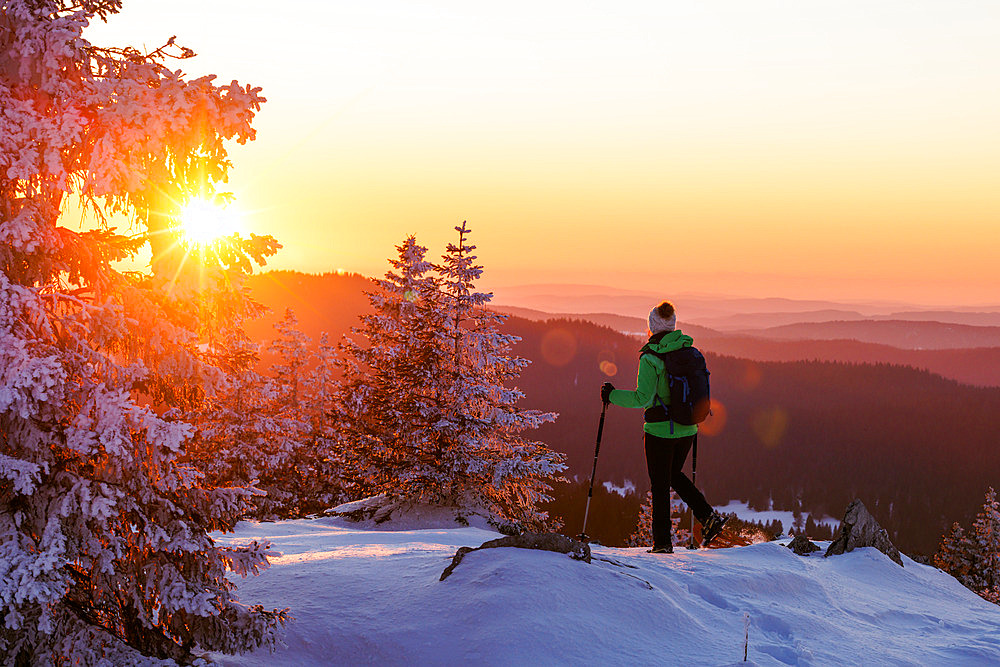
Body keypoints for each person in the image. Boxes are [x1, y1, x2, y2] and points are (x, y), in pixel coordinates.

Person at [601, 300, 727, 553]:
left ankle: (662, 544)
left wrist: (611, 395)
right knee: (673, 476)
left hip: (659, 431)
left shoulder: (651, 357)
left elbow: (642, 399)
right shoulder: (689, 351)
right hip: (688, 428)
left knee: (660, 484)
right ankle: (708, 517)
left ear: (652, 326)